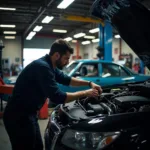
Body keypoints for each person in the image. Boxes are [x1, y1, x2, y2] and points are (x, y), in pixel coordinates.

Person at [3, 39, 102, 150]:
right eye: (66, 58)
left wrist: (89, 83)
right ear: (57, 55)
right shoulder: (43, 67)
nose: (67, 62)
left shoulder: (50, 66)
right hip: (18, 116)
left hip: (29, 114)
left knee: (38, 147)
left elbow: (67, 79)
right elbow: (58, 96)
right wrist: (86, 93)